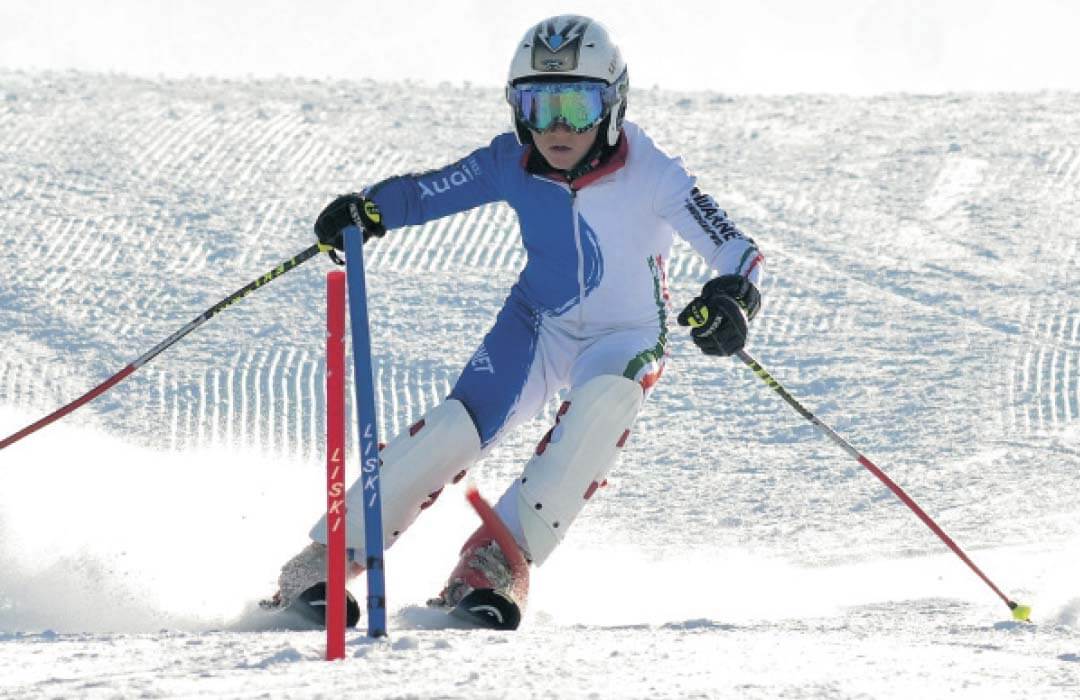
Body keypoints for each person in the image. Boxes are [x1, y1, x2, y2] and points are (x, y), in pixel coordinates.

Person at [270, 14, 764, 628]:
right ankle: (325, 559)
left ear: (612, 105)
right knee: (455, 428)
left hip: (626, 336)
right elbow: (429, 192)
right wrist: (368, 210)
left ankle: (494, 563)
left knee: (603, 409)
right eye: (538, 104)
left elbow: (735, 249)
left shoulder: (655, 172)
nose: (556, 126)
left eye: (578, 107)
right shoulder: (515, 161)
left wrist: (732, 297)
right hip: (538, 324)